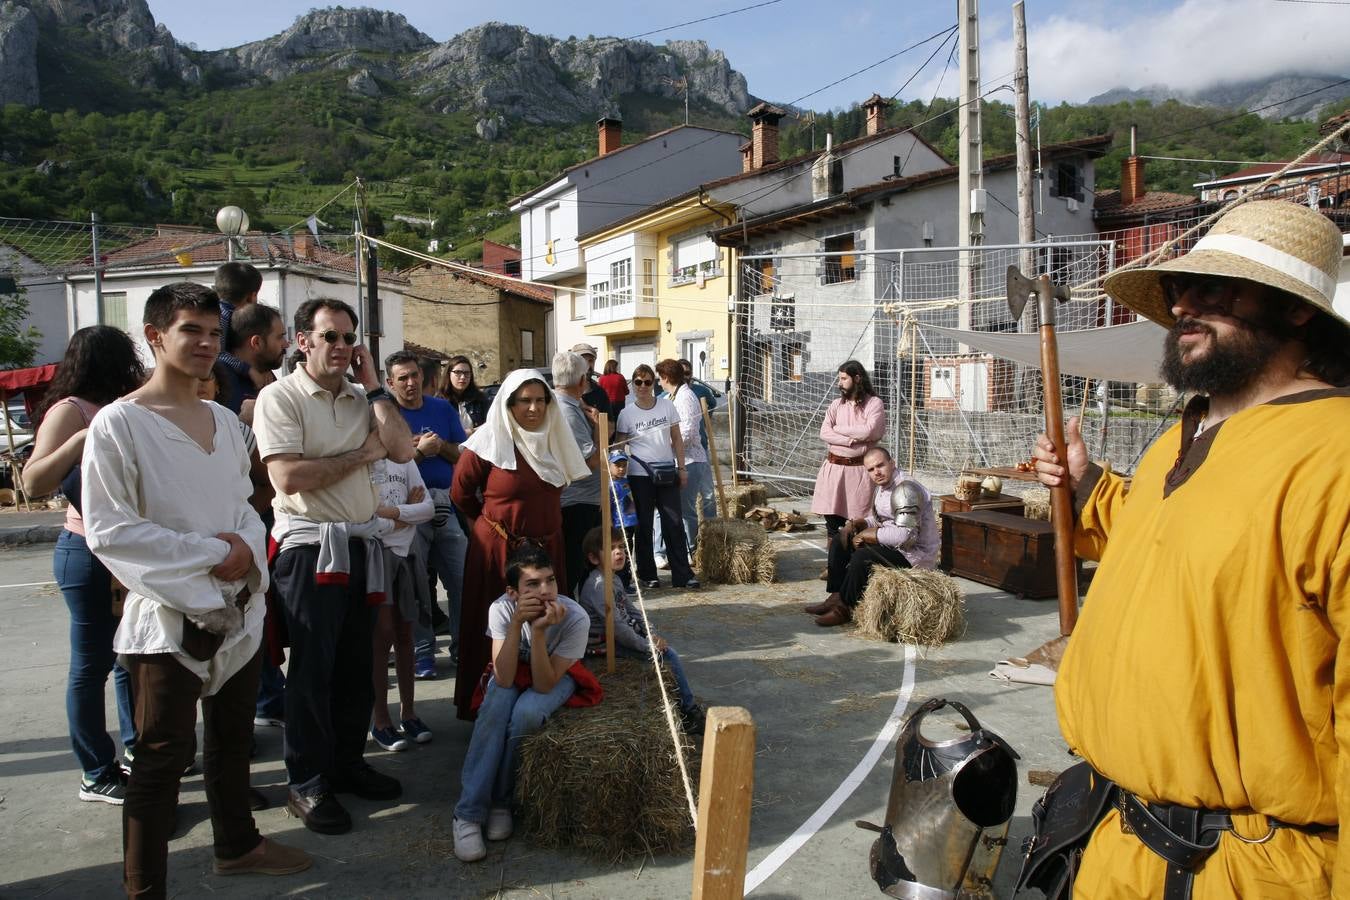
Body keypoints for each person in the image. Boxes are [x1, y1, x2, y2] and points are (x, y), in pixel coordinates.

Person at [1030, 200, 1350, 896]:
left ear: (1296, 310)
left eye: (1214, 288)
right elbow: (1167, 549)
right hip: (1115, 844)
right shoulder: (1190, 429)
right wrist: (1085, 485)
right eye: (1179, 288)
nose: (1183, 306)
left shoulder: (1337, 455)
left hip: (1244, 871)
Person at [81, 282, 311, 894]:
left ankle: (236, 845)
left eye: (214, 332)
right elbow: (110, 531)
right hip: (168, 615)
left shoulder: (223, 421)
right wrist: (217, 555)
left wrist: (243, 554)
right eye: (191, 331)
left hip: (240, 607)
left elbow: (242, 503)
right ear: (155, 336)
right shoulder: (118, 425)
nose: (207, 343)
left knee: (232, 741)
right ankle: (143, 887)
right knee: (160, 757)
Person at [252, 297, 415, 835]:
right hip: (308, 548)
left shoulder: (359, 397)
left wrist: (374, 388)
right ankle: (306, 781)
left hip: (361, 545)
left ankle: (346, 763)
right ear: (303, 341)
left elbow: (402, 450)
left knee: (356, 668)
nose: (343, 348)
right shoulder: (281, 398)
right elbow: (288, 479)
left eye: (350, 339)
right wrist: (362, 456)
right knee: (312, 672)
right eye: (331, 338)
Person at [23, 326, 144, 804]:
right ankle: (96, 770)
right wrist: (82, 439)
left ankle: (134, 748)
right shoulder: (71, 410)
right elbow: (34, 481)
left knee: (128, 658)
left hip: (125, 552)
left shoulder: (121, 406)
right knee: (90, 666)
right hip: (87, 553)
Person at [450, 369, 590, 721]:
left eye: (540, 400)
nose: (533, 408)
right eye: (524, 401)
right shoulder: (487, 441)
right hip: (498, 550)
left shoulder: (555, 438)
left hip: (546, 551)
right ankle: (484, 706)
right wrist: (490, 527)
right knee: (493, 625)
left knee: (545, 620)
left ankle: (539, 695)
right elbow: (461, 494)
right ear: (508, 404)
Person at [451, 544, 597, 863]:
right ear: (512, 592)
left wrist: (541, 633)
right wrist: (518, 624)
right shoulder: (501, 609)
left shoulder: (575, 618)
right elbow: (502, 679)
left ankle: (502, 801)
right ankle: (468, 814)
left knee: (527, 713)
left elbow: (545, 684)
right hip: (512, 669)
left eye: (550, 580)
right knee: (494, 708)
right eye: (532, 584)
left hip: (554, 672)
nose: (545, 591)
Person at [385, 350, 468, 678]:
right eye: (402, 378)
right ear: (390, 383)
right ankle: (423, 654)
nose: (410, 383)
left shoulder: (442, 408)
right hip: (406, 509)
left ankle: (463, 649)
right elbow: (385, 468)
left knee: (461, 580)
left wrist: (438, 447)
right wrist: (417, 453)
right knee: (416, 586)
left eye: (414, 376)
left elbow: (460, 455)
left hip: (447, 503)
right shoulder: (384, 414)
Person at [576, 526, 704, 734]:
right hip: (603, 645)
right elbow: (617, 628)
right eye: (611, 548)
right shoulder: (598, 586)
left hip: (619, 637)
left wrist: (650, 633)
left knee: (661, 648)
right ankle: (689, 711)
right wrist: (647, 647)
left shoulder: (615, 579)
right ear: (593, 558)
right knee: (668, 656)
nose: (619, 552)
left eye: (621, 547)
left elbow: (634, 612)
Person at [806, 447, 938, 627]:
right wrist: (861, 524)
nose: (876, 472)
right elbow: (883, 518)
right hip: (894, 545)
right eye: (870, 469)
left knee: (862, 557)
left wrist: (871, 534)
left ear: (892, 463)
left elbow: (905, 536)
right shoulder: (883, 486)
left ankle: (844, 608)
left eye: (880, 465)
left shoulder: (907, 489)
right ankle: (836, 595)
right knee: (840, 540)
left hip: (914, 555)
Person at [368, 452, 434, 752]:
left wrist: (391, 513)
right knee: (381, 639)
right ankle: (380, 720)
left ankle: (409, 713)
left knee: (406, 634)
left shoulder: (405, 461)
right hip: (375, 557)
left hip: (406, 555)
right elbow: (366, 518)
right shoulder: (362, 460)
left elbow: (427, 508)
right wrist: (405, 511)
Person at [615, 364, 699, 591]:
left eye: (647, 382)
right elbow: (620, 446)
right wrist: (618, 475)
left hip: (666, 472)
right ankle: (647, 574)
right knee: (643, 525)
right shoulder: (626, 413)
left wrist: (682, 469)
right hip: (639, 475)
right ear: (632, 385)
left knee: (673, 522)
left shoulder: (666, 406)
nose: (642, 386)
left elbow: (677, 439)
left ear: (654, 383)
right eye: (638, 382)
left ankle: (682, 574)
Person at [810, 360, 886, 559]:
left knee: (859, 520)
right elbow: (824, 432)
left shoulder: (874, 403)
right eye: (839, 378)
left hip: (859, 473)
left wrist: (840, 431)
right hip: (834, 470)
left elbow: (871, 430)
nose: (840, 383)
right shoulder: (836, 405)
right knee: (832, 521)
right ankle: (833, 565)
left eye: (844, 378)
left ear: (857, 378)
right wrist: (852, 440)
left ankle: (854, 564)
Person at [553, 350, 602, 596]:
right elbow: (590, 460)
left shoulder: (567, 405)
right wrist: (600, 430)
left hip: (579, 498)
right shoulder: (568, 412)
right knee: (573, 567)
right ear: (582, 381)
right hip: (577, 500)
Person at [658, 358, 716, 552]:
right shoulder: (673, 396)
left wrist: (667, 446)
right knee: (681, 509)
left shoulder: (686, 397)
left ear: (667, 377)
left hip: (691, 460)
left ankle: (692, 548)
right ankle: (687, 548)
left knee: (687, 511)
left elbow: (689, 432)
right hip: (681, 459)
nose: (659, 382)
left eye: (660, 378)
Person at [219, 302, 289, 423]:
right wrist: (243, 421)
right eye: (280, 337)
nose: (286, 344)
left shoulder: (268, 378)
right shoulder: (217, 382)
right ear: (256, 343)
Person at [441, 354, 488, 437]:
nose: (463, 377)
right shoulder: (439, 401)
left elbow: (490, 424)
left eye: (467, 373)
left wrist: (471, 431)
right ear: (449, 374)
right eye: (457, 372)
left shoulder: (480, 400)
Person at [569, 342, 613, 415]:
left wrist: (597, 418)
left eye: (591, 361)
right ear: (571, 363)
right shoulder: (561, 391)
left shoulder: (600, 393)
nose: (588, 365)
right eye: (582, 360)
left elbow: (611, 424)